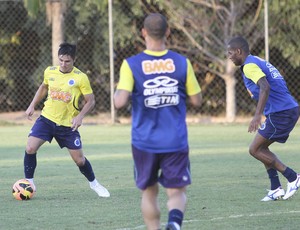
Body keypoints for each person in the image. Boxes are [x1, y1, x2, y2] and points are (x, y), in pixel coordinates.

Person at [114, 13, 202, 230]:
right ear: (168, 32)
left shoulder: (131, 64)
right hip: (175, 139)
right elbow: (197, 100)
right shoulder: (182, 62)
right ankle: (174, 222)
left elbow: (119, 102)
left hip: (144, 141)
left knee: (149, 192)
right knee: (177, 192)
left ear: (143, 32)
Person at [24, 42, 110, 198]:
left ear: (74, 59)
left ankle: (94, 184)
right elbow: (43, 87)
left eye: (67, 61)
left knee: (80, 161)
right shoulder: (49, 71)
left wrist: (80, 116)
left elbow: (90, 101)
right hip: (47, 119)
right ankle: (28, 183)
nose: (63, 64)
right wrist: (32, 105)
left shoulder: (80, 78)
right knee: (30, 148)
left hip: (68, 125)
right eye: (61, 60)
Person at [227, 36, 300, 201]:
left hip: (282, 112)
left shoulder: (249, 66)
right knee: (261, 148)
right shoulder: (255, 60)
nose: (229, 56)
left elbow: (265, 87)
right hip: (285, 110)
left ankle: (293, 177)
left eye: (231, 53)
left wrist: (257, 115)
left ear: (239, 51)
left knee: (254, 149)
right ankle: (276, 188)